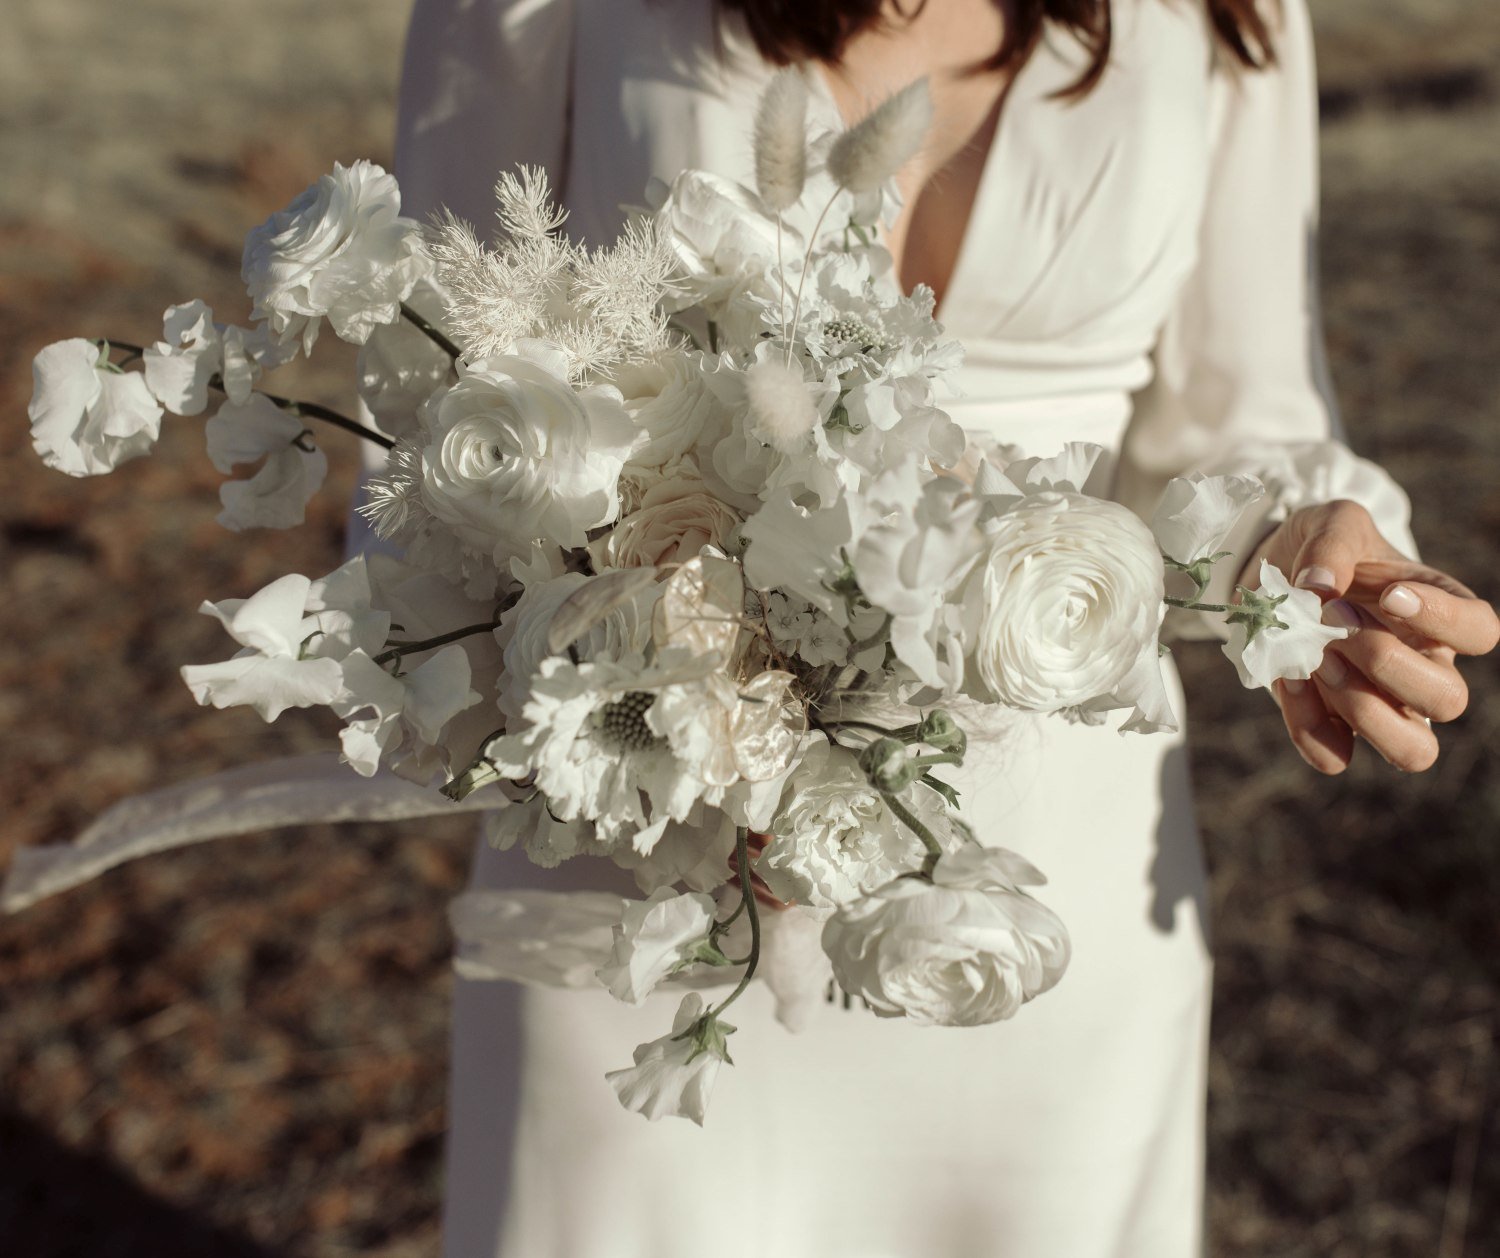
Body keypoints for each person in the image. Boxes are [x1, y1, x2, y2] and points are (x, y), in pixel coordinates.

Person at [388, 2, 1499, 1254]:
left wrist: (1308, 549)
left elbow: (1243, 419)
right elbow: (433, 376)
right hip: (646, 841)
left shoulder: (1229, 16)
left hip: (1040, 888)